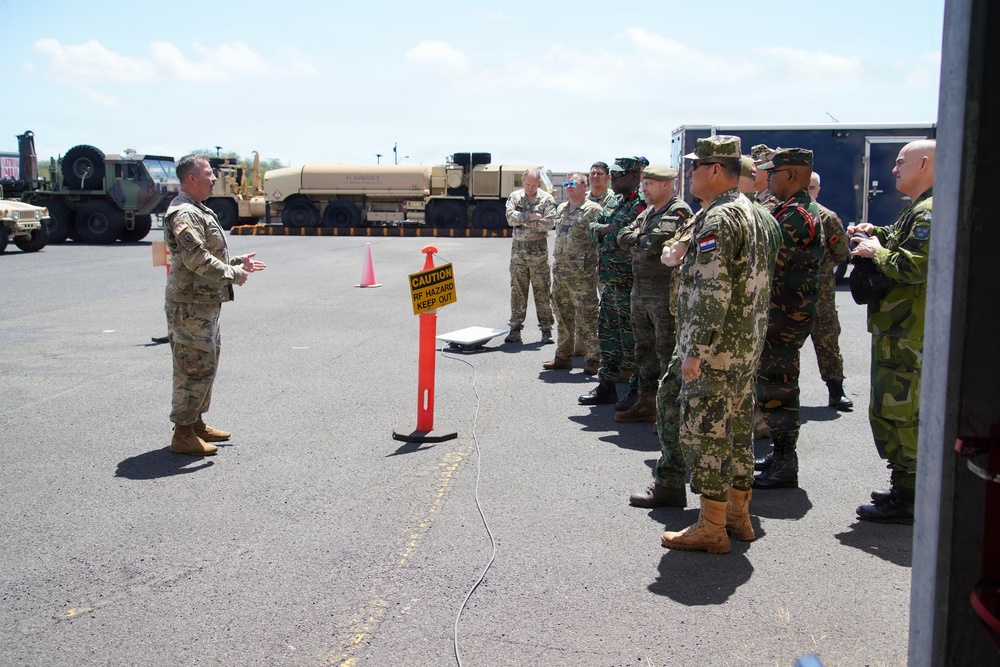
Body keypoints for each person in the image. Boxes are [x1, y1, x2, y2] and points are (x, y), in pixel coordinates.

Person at [651, 135, 772, 554]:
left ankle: (712, 527)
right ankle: (739, 517)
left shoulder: (719, 219)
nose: (690, 173)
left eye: (696, 167)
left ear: (716, 171)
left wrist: (695, 350)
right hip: (744, 345)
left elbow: (711, 289)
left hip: (716, 348)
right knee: (738, 430)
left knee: (706, 432)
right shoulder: (754, 213)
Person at [848, 139, 935, 524]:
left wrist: (873, 251)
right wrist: (876, 231)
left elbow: (916, 266)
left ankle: (911, 498)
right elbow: (903, 240)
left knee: (902, 413)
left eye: (902, 163)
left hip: (909, 332)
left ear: (926, 164)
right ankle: (906, 486)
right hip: (899, 328)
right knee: (891, 409)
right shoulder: (916, 210)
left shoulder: (929, 211)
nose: (894, 169)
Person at [164, 154, 266, 456]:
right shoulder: (184, 213)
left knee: (205, 363)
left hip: (203, 303)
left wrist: (235, 262)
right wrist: (232, 273)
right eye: (208, 174)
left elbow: (202, 254)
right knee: (192, 367)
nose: (213, 179)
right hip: (190, 305)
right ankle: (182, 433)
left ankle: (195, 422)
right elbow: (195, 258)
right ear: (191, 179)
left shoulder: (198, 209)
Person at [752, 149, 825, 489]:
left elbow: (767, 262)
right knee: (771, 384)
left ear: (792, 176)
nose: (767, 178)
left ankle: (785, 461)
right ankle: (780, 453)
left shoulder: (797, 215)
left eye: (774, 172)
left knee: (778, 386)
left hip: (785, 316)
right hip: (779, 312)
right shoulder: (785, 210)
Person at [615, 164, 692, 422]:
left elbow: (652, 245)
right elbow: (621, 235)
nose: (643, 188)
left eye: (648, 184)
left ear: (666, 185)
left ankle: (668, 413)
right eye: (644, 183)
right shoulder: (648, 212)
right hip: (640, 293)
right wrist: (638, 237)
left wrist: (638, 238)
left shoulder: (678, 211)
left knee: (666, 351)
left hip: (663, 296)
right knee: (644, 350)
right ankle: (647, 403)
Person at [578, 157, 646, 406]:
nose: (613, 178)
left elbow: (627, 236)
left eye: (618, 174)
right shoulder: (614, 201)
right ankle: (606, 387)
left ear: (633, 176)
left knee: (632, 342)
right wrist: (607, 228)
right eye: (612, 173)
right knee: (607, 336)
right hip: (609, 281)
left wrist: (608, 230)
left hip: (630, 282)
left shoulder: (642, 203)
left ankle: (637, 393)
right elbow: (590, 229)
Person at [544, 172, 603, 374]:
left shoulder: (593, 210)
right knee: (562, 315)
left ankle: (594, 358)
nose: (568, 186)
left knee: (587, 317)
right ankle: (563, 356)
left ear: (584, 186)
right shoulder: (561, 208)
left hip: (582, 275)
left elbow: (601, 240)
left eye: (573, 183)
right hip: (560, 272)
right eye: (566, 183)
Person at [808, 172, 853, 410]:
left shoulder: (827, 217)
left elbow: (841, 253)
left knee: (828, 343)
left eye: (812, 187)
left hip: (821, 297)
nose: (808, 191)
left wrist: (822, 270)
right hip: (788, 299)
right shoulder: (783, 213)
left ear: (818, 190)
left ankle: (836, 390)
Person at [504, 168, 557, 344]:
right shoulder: (515, 196)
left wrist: (523, 222)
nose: (531, 188)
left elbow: (548, 223)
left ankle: (546, 330)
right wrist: (531, 217)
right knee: (517, 291)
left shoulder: (546, 199)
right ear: (522, 180)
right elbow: (510, 218)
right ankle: (515, 329)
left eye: (534, 185)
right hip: (518, 253)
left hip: (539, 253)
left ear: (539, 183)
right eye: (528, 184)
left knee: (542, 291)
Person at [750, 144, 780, 210]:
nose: (751, 169)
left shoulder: (776, 198)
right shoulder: (751, 196)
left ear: (769, 169)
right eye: (751, 165)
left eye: (756, 165)